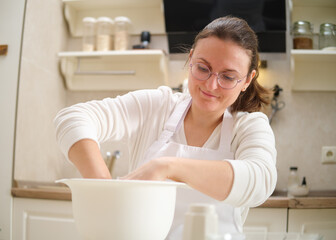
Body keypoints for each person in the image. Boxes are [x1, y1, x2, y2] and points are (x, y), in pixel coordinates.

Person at [54, 16, 277, 239]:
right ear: (190, 59)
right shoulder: (157, 106)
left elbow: (260, 180)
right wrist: (102, 187)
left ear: (247, 80)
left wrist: (168, 167)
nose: (211, 85)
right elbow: (73, 118)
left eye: (228, 77)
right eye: (202, 68)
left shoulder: (249, 126)